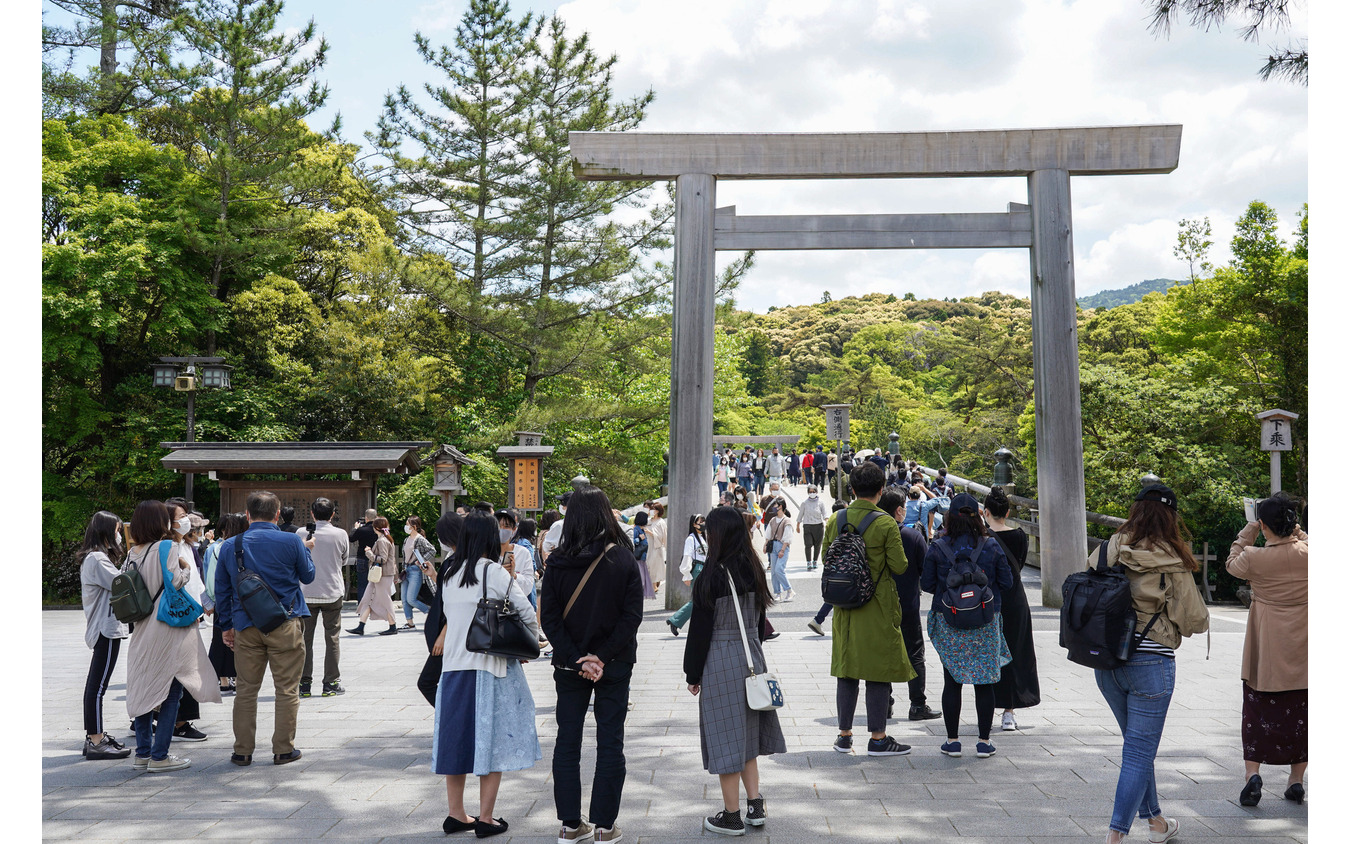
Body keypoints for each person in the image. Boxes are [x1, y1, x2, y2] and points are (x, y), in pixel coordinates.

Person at [1090, 484, 1209, 844]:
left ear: (1136, 510)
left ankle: (1156, 822)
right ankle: (1115, 836)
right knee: (1139, 752)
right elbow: (1195, 620)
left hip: (1107, 661)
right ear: (1171, 517)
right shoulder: (1171, 559)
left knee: (1137, 749)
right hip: (1151, 663)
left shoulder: (1110, 547)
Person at [538, 485, 643, 844]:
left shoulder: (557, 562)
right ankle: (604, 826)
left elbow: (550, 620)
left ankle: (570, 825)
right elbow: (631, 617)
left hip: (570, 666)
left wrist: (577, 658)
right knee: (610, 740)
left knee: (567, 740)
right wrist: (601, 656)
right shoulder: (623, 558)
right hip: (614, 663)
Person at [432, 511, 541, 838]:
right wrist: (527, 643)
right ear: (490, 538)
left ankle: (456, 814)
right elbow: (526, 611)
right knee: (491, 741)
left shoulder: (449, 572)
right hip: (489, 669)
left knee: (456, 741)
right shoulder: (492, 571)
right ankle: (486, 818)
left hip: (453, 669)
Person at [684, 506, 786, 836]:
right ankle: (755, 805)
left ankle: (731, 816)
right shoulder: (753, 569)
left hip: (721, 659)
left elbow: (699, 632)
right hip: (752, 656)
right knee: (747, 736)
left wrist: (692, 674)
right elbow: (759, 623)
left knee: (725, 738)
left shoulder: (710, 577)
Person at [822, 462, 916, 757]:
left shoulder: (836, 519)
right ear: (881, 490)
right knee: (878, 671)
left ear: (852, 489)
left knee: (847, 670)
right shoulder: (886, 523)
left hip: (845, 607)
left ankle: (844, 736)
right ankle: (878, 738)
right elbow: (899, 566)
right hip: (876, 605)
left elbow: (826, 558)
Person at [215, 490, 315, 767]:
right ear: (277, 514)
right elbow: (308, 576)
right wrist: (306, 551)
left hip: (246, 625)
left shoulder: (231, 545)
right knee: (287, 689)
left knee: (246, 690)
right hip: (285, 621)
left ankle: (242, 751)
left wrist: (226, 626)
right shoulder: (291, 541)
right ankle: (283, 749)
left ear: (248, 514)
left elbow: (222, 590)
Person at [123, 500, 222, 772]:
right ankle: (160, 756)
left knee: (144, 689)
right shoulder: (166, 547)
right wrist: (186, 568)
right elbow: (176, 582)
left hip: (142, 628)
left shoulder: (133, 552)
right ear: (159, 522)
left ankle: (143, 753)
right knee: (171, 690)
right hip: (166, 627)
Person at [1224, 492, 1308, 807]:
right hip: (1305, 646)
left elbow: (1232, 563)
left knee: (1257, 710)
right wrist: (1294, 530)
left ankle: (1253, 775)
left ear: (1263, 525)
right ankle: (1296, 780)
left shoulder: (1254, 557)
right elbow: (1304, 540)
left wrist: (1250, 529)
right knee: (1303, 714)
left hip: (1267, 646)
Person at [921, 492, 1014, 760]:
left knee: (952, 681)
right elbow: (1007, 583)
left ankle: (953, 741)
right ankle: (984, 742)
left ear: (949, 517)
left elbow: (927, 584)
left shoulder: (938, 546)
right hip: (985, 621)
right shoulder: (991, 545)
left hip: (949, 620)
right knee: (984, 682)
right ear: (978, 516)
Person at [873, 491, 942, 721]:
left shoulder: (871, 534)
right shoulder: (912, 536)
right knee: (915, 654)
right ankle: (917, 704)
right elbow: (927, 573)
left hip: (878, 606)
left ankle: (884, 704)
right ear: (899, 511)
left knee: (882, 655)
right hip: (908, 605)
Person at [978, 488, 1040, 731]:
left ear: (986, 512)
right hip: (1015, 599)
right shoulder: (1020, 536)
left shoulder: (982, 538)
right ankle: (1009, 712)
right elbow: (1020, 565)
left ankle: (988, 704)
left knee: (990, 654)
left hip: (988, 600)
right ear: (1007, 512)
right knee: (1016, 652)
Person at [79, 510, 132, 760]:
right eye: (117, 531)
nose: (119, 535)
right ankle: (96, 740)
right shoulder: (97, 559)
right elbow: (122, 582)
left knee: (96, 685)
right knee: (98, 687)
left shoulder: (96, 557)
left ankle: (95, 737)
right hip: (105, 628)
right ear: (106, 531)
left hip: (105, 627)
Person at [162, 497, 209, 743]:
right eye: (180, 517)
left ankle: (169, 718)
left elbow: (196, 582)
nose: (186, 521)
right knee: (183, 670)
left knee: (186, 668)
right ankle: (179, 722)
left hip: (189, 614)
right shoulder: (169, 547)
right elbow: (177, 583)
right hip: (177, 616)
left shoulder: (186, 545)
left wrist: (203, 606)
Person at [299, 498, 349, 697]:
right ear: (332, 514)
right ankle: (330, 683)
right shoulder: (340, 534)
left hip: (306, 592)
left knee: (304, 640)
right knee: (332, 638)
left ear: (312, 514)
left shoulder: (300, 533)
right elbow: (344, 560)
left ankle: (304, 683)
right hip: (332, 591)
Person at [417, 512, 465, 707]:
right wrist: (433, 574)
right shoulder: (455, 559)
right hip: (448, 632)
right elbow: (448, 591)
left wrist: (444, 634)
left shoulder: (458, 561)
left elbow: (459, 602)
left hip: (449, 634)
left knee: (426, 682)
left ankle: (452, 715)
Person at [203, 513, 247, 697]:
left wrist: (210, 600)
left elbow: (208, 576)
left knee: (221, 640)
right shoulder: (232, 547)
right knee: (231, 640)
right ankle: (231, 678)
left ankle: (223, 680)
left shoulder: (214, 548)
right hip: (236, 600)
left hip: (221, 600)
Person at [348, 517, 399, 636]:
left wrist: (369, 553)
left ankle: (393, 626)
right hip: (379, 575)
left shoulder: (382, 541)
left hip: (382, 575)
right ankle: (361, 626)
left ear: (376, 528)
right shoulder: (386, 539)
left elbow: (383, 559)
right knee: (367, 598)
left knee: (385, 600)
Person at [667, 514, 707, 637]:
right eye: (700, 521)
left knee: (702, 599)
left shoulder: (703, 538)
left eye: (704, 521)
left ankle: (678, 620)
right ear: (694, 524)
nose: (703, 524)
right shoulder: (691, 539)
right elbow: (687, 556)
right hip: (697, 570)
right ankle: (676, 620)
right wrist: (686, 574)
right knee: (699, 599)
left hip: (704, 569)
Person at [397, 515, 436, 629]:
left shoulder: (420, 539)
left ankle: (432, 612)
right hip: (406, 570)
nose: (406, 526)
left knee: (411, 599)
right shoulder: (406, 539)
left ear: (414, 526)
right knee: (404, 599)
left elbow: (432, 550)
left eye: (407, 524)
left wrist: (421, 561)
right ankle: (410, 623)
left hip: (415, 571)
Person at [764, 499, 794, 602]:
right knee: (773, 572)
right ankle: (777, 593)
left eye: (775, 505)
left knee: (779, 569)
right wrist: (765, 545)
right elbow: (768, 534)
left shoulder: (787, 521)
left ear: (780, 506)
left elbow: (788, 537)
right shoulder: (773, 520)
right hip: (773, 546)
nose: (774, 507)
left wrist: (782, 550)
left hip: (782, 546)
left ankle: (789, 590)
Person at [795, 485, 828, 572]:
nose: (812, 493)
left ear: (816, 492)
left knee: (818, 545)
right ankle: (809, 562)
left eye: (813, 492)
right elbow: (800, 514)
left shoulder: (821, 503)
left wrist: (827, 521)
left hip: (818, 526)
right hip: (808, 526)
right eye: (810, 492)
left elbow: (824, 513)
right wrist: (798, 525)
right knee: (808, 544)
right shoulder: (804, 503)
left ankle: (815, 561)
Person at [349, 509, 379, 601]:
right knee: (375, 583)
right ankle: (374, 604)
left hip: (362, 558)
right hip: (375, 559)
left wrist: (355, 528)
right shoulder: (379, 530)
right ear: (376, 517)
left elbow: (351, 538)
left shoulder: (362, 530)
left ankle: (362, 606)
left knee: (362, 584)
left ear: (366, 518)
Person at [631, 511, 655, 599]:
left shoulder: (641, 529)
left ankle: (639, 595)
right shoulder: (636, 529)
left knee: (643, 579)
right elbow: (633, 541)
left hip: (642, 557)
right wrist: (639, 539)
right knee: (641, 579)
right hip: (638, 557)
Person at [646, 502, 668, 594]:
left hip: (656, 546)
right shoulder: (649, 520)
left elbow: (663, 536)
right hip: (647, 545)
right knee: (647, 565)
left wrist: (651, 533)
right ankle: (651, 584)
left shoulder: (661, 522)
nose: (651, 511)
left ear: (658, 511)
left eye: (653, 509)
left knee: (653, 565)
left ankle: (654, 585)